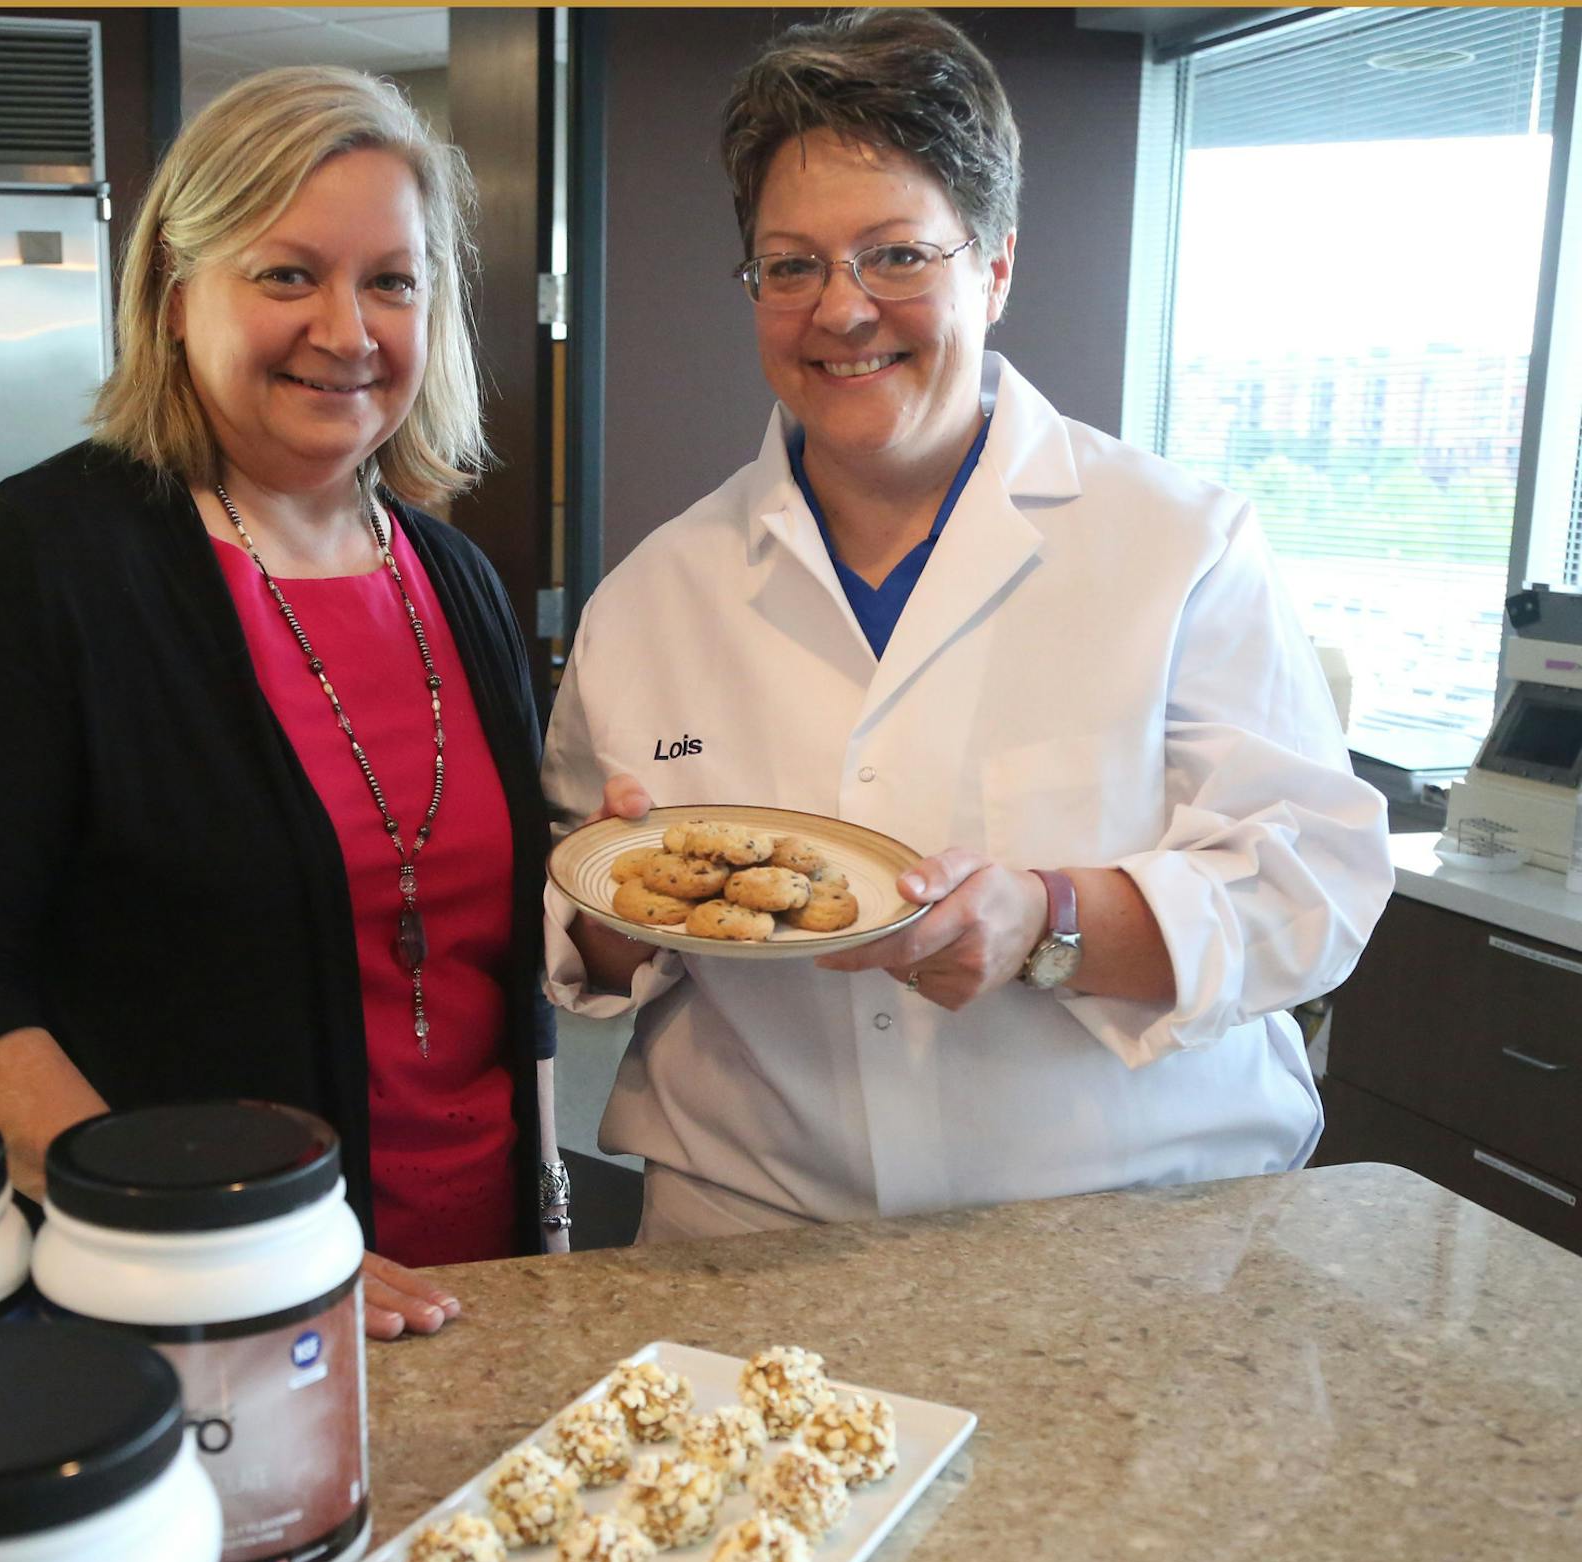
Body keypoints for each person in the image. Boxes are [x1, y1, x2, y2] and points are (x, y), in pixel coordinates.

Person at [542, 9, 1394, 1242]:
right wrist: (619, 919)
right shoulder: (652, 597)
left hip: (1129, 1239)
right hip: (752, 1237)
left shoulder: (1179, 545)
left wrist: (1051, 917)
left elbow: (1314, 888)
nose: (841, 309)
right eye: (791, 265)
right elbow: (590, 918)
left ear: (993, 265)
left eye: (896, 255)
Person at [0, 67, 564, 1336]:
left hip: (481, 1280)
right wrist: (197, 1233)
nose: (347, 331)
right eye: (288, 274)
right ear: (178, 299)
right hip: (181, 1299)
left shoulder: (453, 578)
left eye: (392, 281)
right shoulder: (45, 560)